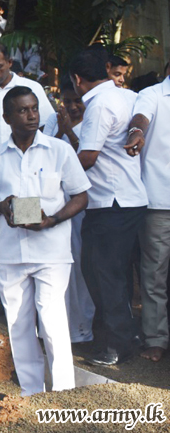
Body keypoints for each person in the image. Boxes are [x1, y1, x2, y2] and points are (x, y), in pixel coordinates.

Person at [0, 86, 90, 396]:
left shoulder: (59, 150)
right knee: (19, 324)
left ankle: (64, 392)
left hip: (52, 251)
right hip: (12, 253)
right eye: (23, 110)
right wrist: (2, 207)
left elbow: (81, 195)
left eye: (34, 109)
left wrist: (52, 219)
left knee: (52, 320)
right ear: (7, 117)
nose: (31, 115)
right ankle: (31, 392)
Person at [0, 41, 54, 316]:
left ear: (10, 63)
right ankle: (4, 301)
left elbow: (48, 128)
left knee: (26, 230)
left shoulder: (31, 90)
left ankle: (35, 303)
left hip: (26, 173)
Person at [69, 47, 147, 366]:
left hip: (109, 202)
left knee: (103, 273)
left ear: (77, 80)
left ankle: (117, 343)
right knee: (120, 274)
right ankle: (126, 334)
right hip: (131, 198)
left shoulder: (99, 104)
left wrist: (55, 180)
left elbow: (88, 156)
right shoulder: (126, 97)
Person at [42, 77, 95, 343]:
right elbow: (45, 155)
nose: (73, 106)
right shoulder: (54, 121)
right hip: (55, 200)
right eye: (68, 101)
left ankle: (84, 326)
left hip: (80, 201)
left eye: (77, 101)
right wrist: (61, 129)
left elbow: (80, 160)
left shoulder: (92, 120)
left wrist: (69, 132)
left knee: (80, 264)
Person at [127, 73, 170, 362]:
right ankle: (156, 338)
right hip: (159, 201)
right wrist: (136, 133)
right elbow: (140, 119)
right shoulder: (153, 94)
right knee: (154, 275)